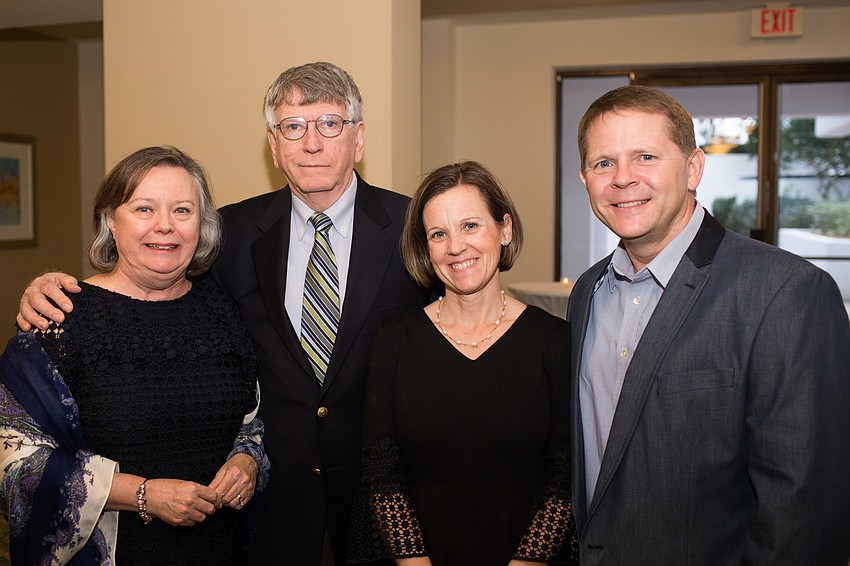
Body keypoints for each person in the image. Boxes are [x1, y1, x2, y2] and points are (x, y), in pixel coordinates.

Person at [15, 62, 429, 565]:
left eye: (329, 124)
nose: (311, 143)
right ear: (273, 145)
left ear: (358, 139)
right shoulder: (230, 235)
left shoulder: (419, 228)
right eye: (293, 127)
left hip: (388, 504)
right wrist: (46, 288)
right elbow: (146, 279)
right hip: (269, 520)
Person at [567, 85, 850, 565]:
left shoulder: (787, 292)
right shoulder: (587, 292)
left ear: (694, 167)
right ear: (585, 178)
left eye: (646, 156)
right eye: (603, 163)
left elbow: (803, 510)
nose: (623, 179)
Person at [0, 146, 269, 565]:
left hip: (223, 549)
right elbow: (18, 462)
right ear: (111, 220)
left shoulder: (224, 310)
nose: (165, 227)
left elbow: (251, 420)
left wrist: (246, 459)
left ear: (202, 225)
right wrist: (142, 493)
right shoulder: (59, 318)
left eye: (182, 211)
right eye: (144, 209)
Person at [347, 161, 578, 566]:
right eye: (439, 234)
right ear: (426, 247)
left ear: (504, 229)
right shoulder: (394, 339)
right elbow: (381, 473)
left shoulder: (555, 341)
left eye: (470, 226)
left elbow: (564, 479)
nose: (456, 247)